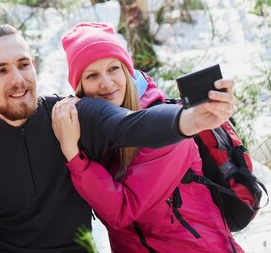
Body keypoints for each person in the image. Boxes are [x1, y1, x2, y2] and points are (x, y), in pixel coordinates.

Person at [0, 24, 238, 253]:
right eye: (0, 70)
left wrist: (187, 119)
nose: (18, 79)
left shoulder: (69, 115)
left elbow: (129, 124)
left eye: (23, 64)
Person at [52, 22, 243, 253]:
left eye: (113, 68)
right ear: (80, 87)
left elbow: (121, 210)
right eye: (92, 75)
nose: (106, 83)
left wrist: (73, 154)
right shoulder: (90, 131)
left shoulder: (166, 131)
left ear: (127, 72)